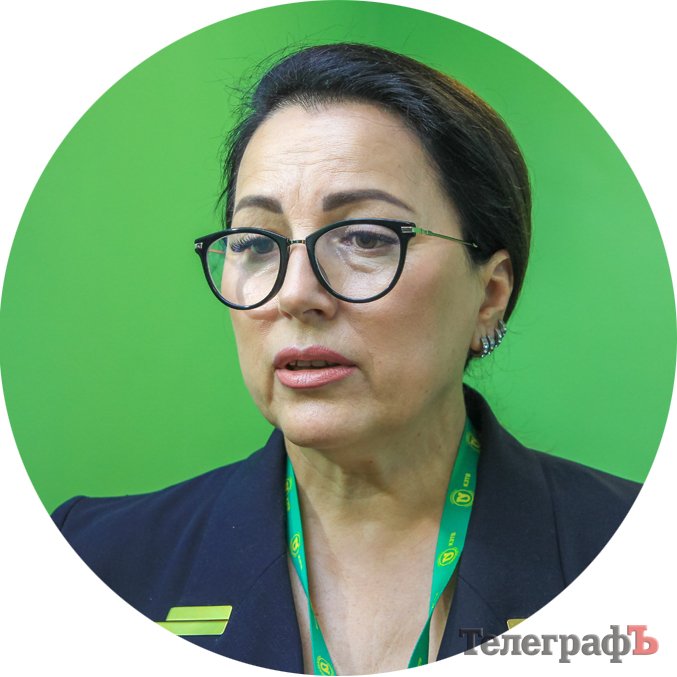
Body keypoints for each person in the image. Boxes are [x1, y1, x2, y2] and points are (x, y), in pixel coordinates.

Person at [52, 43, 640, 675]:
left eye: (364, 237)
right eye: (257, 243)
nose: (294, 293)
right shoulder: (93, 560)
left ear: (489, 297)